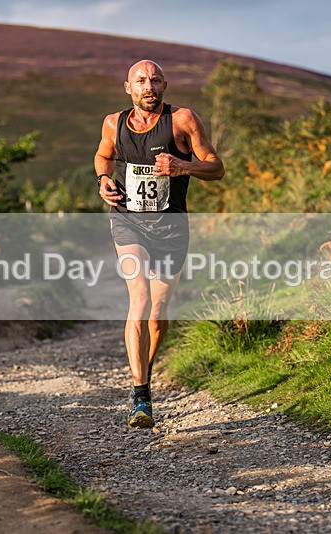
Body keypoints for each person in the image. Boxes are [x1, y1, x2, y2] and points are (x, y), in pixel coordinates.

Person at [94, 59, 224, 428]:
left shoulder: (183, 120)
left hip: (171, 228)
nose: (148, 86)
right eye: (141, 81)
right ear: (128, 87)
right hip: (127, 221)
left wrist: (185, 167)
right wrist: (103, 179)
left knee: (158, 312)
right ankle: (141, 396)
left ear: (165, 85)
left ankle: (144, 369)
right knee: (139, 299)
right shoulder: (113, 123)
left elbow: (216, 167)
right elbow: (103, 156)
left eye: (155, 80)